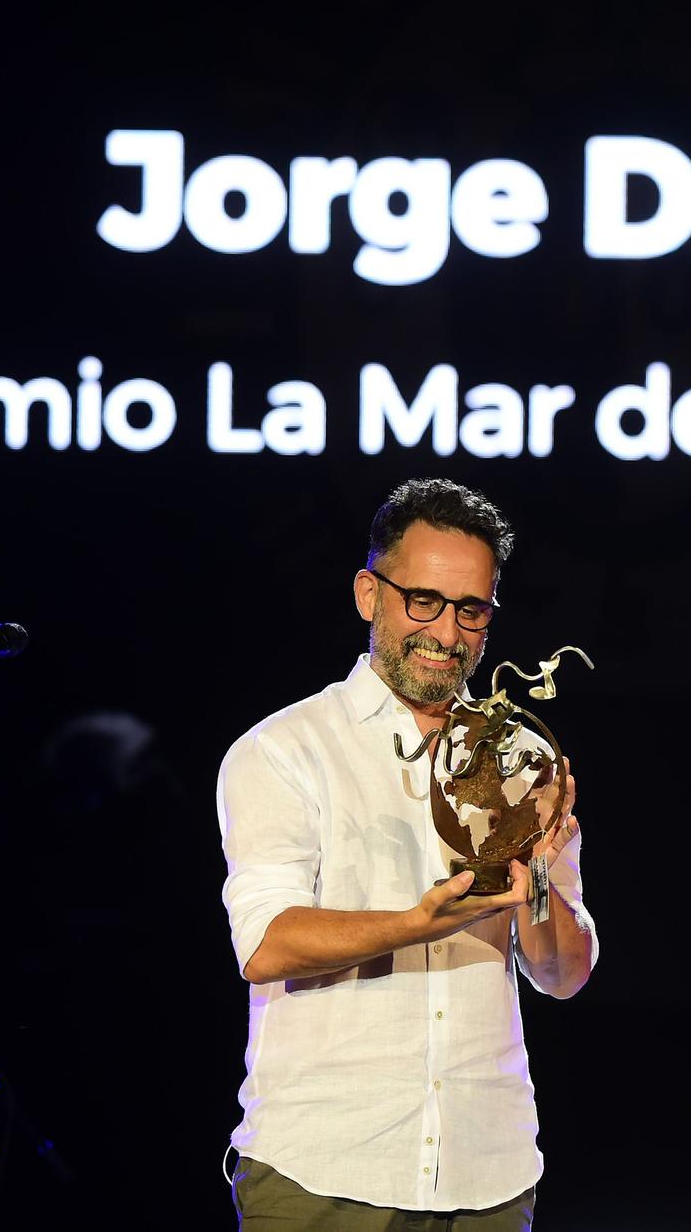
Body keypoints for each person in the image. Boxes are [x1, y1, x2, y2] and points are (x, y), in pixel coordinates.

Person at [216, 478, 596, 1231]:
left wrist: (540, 878)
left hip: (485, 1170)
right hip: (325, 1168)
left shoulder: (522, 760)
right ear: (369, 593)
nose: (447, 633)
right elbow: (265, 945)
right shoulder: (285, 749)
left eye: (470, 609)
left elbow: (562, 974)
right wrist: (419, 920)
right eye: (422, 600)